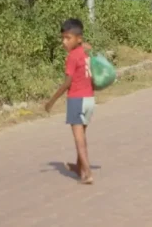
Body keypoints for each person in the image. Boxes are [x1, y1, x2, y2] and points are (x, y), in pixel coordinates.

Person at [45, 19, 95, 185]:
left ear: (78, 39)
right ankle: (79, 166)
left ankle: (86, 171)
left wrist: (51, 101)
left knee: (78, 139)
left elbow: (68, 82)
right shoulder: (85, 53)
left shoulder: (72, 57)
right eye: (63, 38)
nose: (64, 42)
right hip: (89, 100)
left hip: (76, 100)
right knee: (82, 136)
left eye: (68, 38)